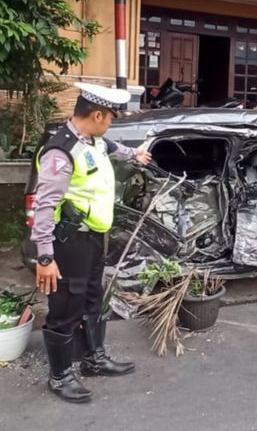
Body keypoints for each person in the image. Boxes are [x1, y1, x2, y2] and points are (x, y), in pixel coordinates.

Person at [31, 83, 152, 403]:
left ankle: (93, 359)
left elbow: (112, 148)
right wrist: (45, 258)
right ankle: (59, 376)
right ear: (97, 114)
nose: (111, 123)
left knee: (91, 299)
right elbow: (43, 207)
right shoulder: (61, 152)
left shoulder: (94, 140)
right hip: (70, 242)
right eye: (111, 117)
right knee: (66, 306)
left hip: (96, 237)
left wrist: (135, 154)